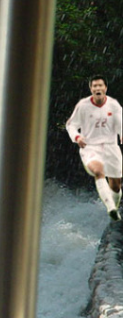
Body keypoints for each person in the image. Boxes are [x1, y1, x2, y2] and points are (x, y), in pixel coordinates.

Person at [66, 75, 123, 221]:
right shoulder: (83, 106)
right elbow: (71, 125)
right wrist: (77, 137)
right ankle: (110, 207)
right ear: (91, 89)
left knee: (116, 186)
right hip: (90, 147)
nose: (97, 88)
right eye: (94, 86)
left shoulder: (114, 105)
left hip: (111, 147)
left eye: (100, 86)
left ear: (105, 88)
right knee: (99, 170)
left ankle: (113, 210)